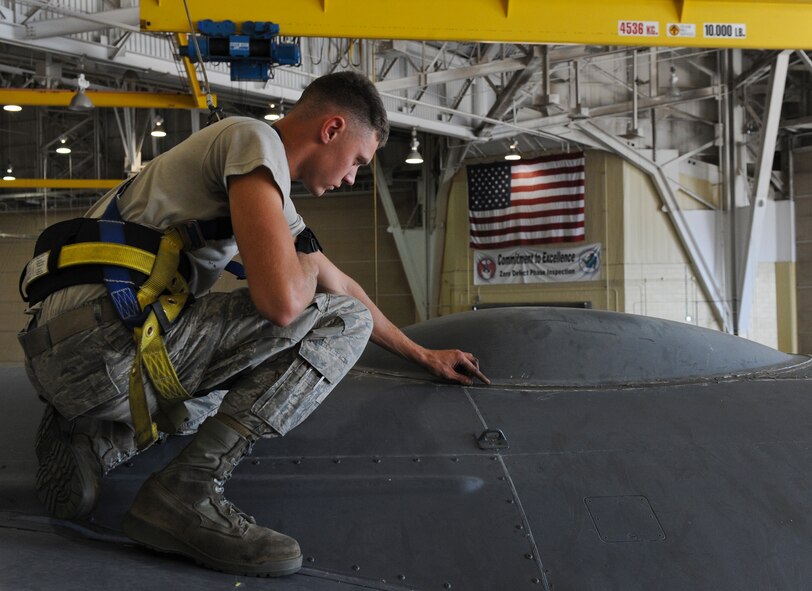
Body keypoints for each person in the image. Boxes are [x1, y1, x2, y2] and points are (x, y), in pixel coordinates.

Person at [18, 71, 489, 577]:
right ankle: (188, 490)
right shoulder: (253, 140)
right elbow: (285, 304)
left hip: (67, 353)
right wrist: (304, 266)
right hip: (106, 344)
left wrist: (424, 354)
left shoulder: (265, 183)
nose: (353, 177)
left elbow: (344, 285)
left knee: (260, 372)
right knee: (334, 325)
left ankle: (96, 438)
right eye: (357, 161)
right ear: (331, 129)